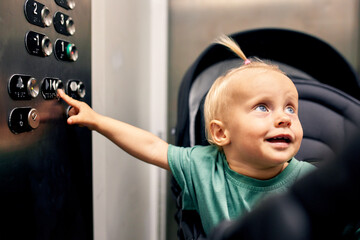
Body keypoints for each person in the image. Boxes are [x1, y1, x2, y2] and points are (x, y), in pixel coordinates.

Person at [57, 35, 316, 235]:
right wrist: (97, 121)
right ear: (221, 132)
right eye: (262, 107)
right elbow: (151, 146)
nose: (285, 118)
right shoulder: (202, 166)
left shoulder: (312, 182)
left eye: (291, 108)